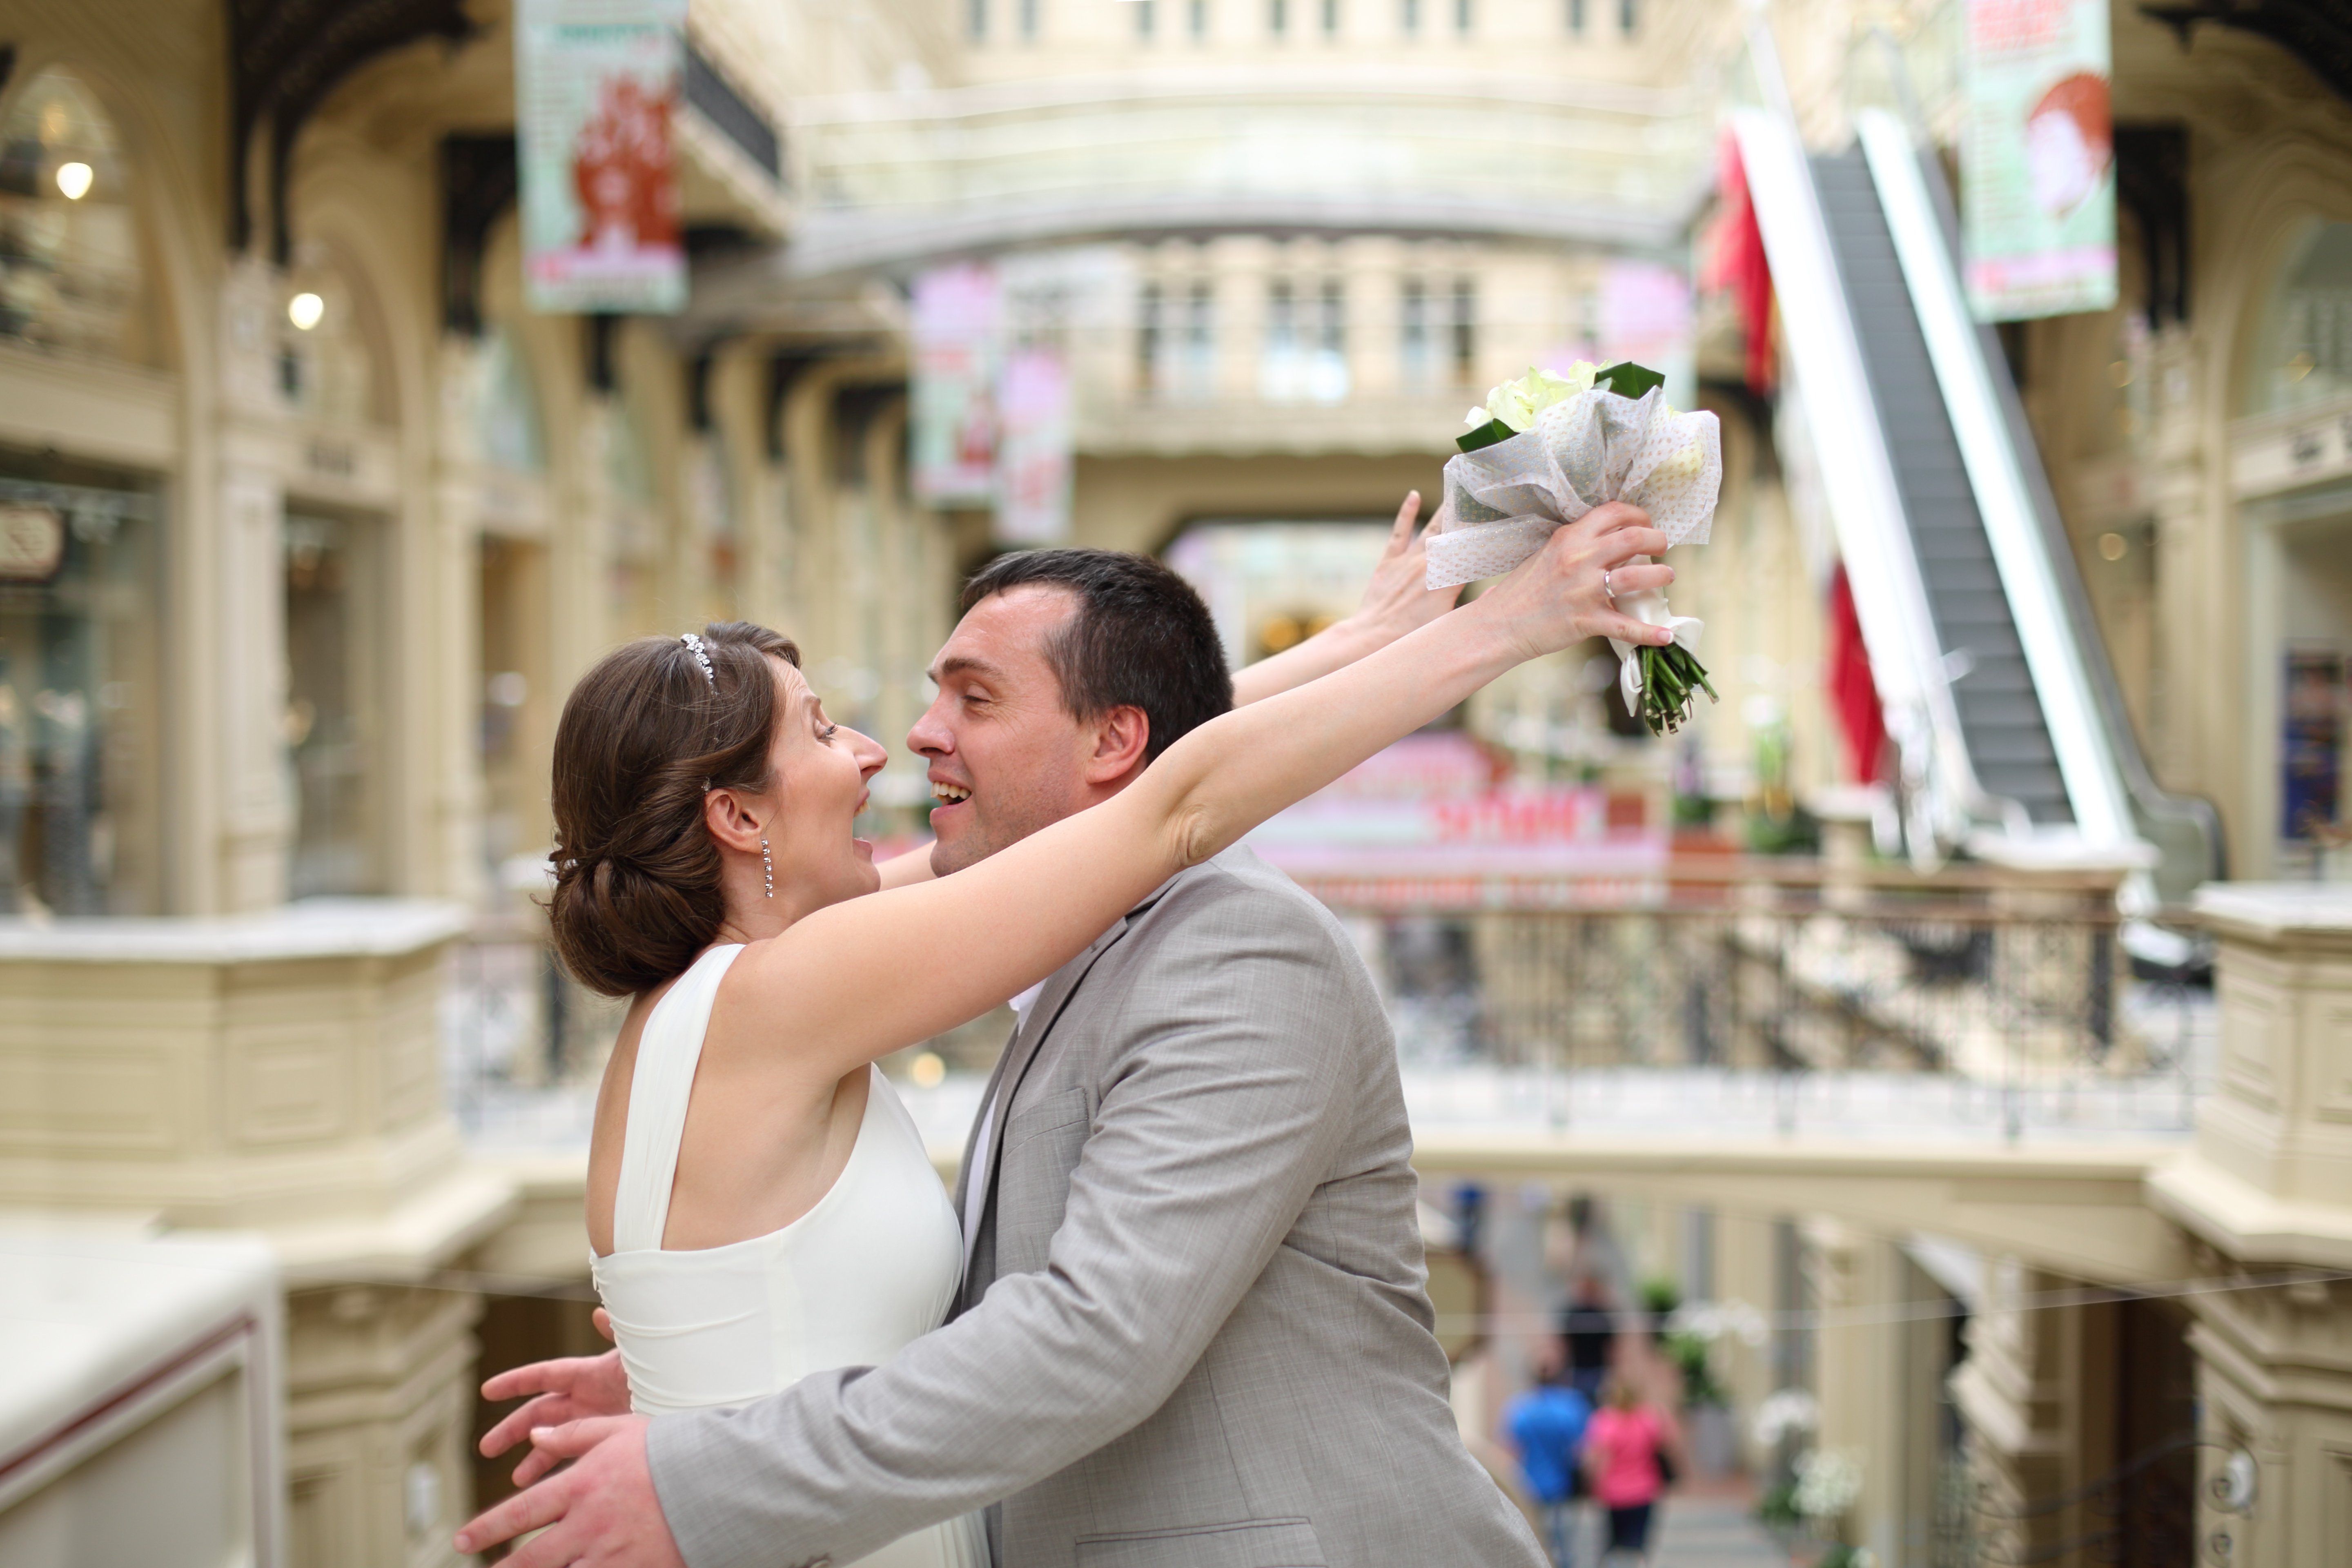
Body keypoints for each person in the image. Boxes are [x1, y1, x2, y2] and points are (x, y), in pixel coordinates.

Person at [456, 497, 1680, 1568]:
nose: (884, 747)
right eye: (825, 730)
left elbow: (1113, 775)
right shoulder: (792, 984)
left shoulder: (726, 994)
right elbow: (1160, 803)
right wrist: (1513, 623)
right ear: (736, 814)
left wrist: (1368, 641)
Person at [1581, 1374, 1684, 1566]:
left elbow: (1596, 1460)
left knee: (1612, 1544)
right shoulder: (1648, 1419)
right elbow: (1670, 1443)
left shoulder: (1604, 1421)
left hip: (1613, 1493)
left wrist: (1591, 1485)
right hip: (1644, 1490)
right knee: (1638, 1545)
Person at [1506, 1351, 1593, 1568]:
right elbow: (1583, 1449)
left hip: (1532, 1484)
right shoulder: (1571, 1406)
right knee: (1566, 1546)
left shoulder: (1522, 1408)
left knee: (1537, 1541)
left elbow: (1512, 1447)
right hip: (1565, 1485)